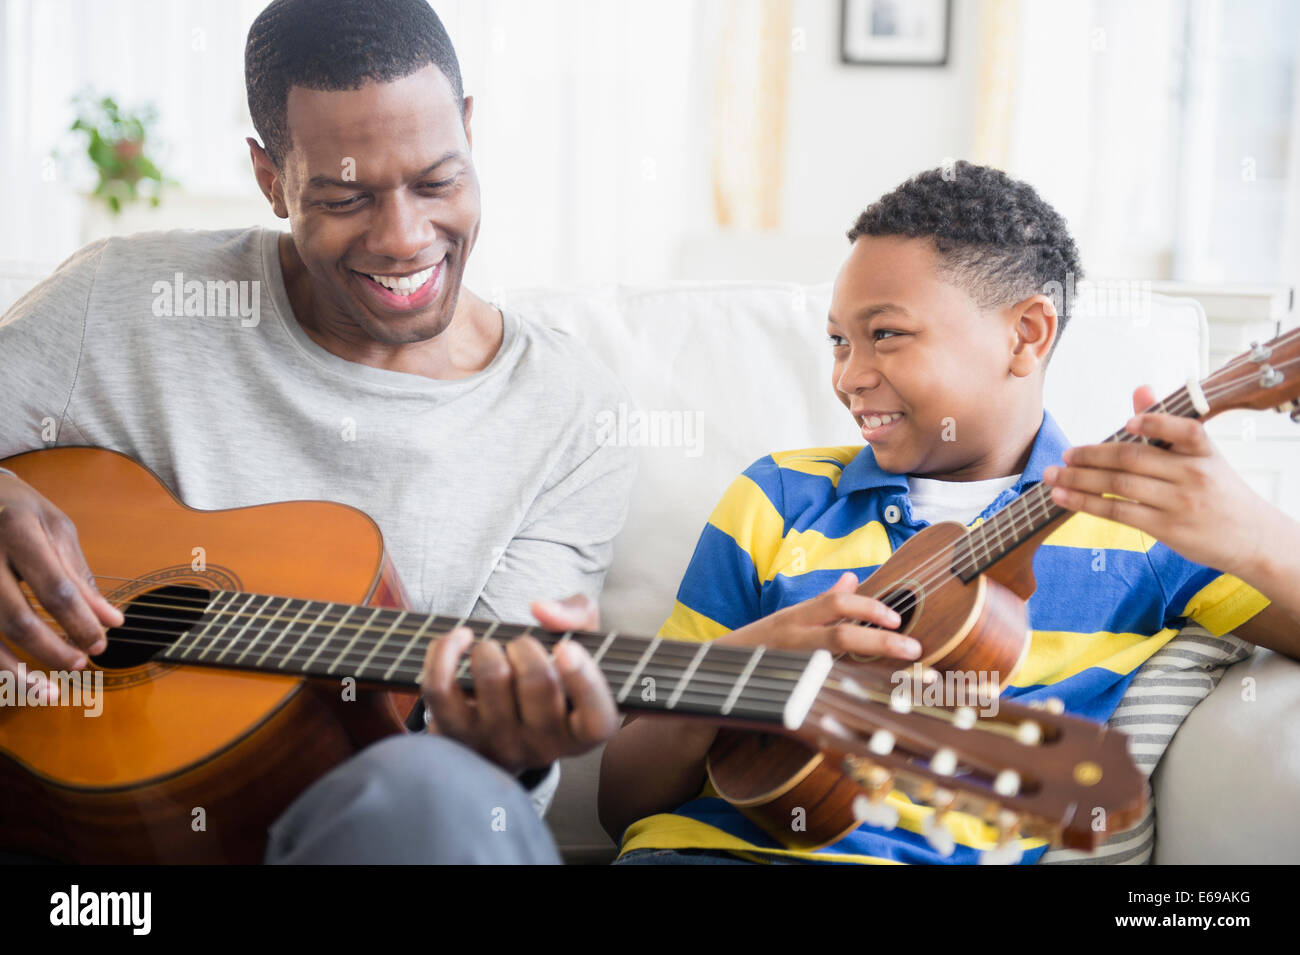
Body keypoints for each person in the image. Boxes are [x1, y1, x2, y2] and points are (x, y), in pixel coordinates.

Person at [0, 0, 632, 864]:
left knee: (437, 796)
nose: (405, 237)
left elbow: (466, 764)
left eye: (437, 181)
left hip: (369, 831)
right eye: (344, 196)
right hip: (77, 832)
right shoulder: (120, 301)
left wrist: (505, 748)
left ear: (471, 131)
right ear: (270, 178)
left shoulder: (569, 411)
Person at [595, 161, 1300, 865]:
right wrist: (743, 666)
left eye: (887, 334)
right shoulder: (778, 499)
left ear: (1026, 333)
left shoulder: (1139, 524)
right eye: (839, 340)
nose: (849, 375)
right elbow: (621, 800)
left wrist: (1256, 535)